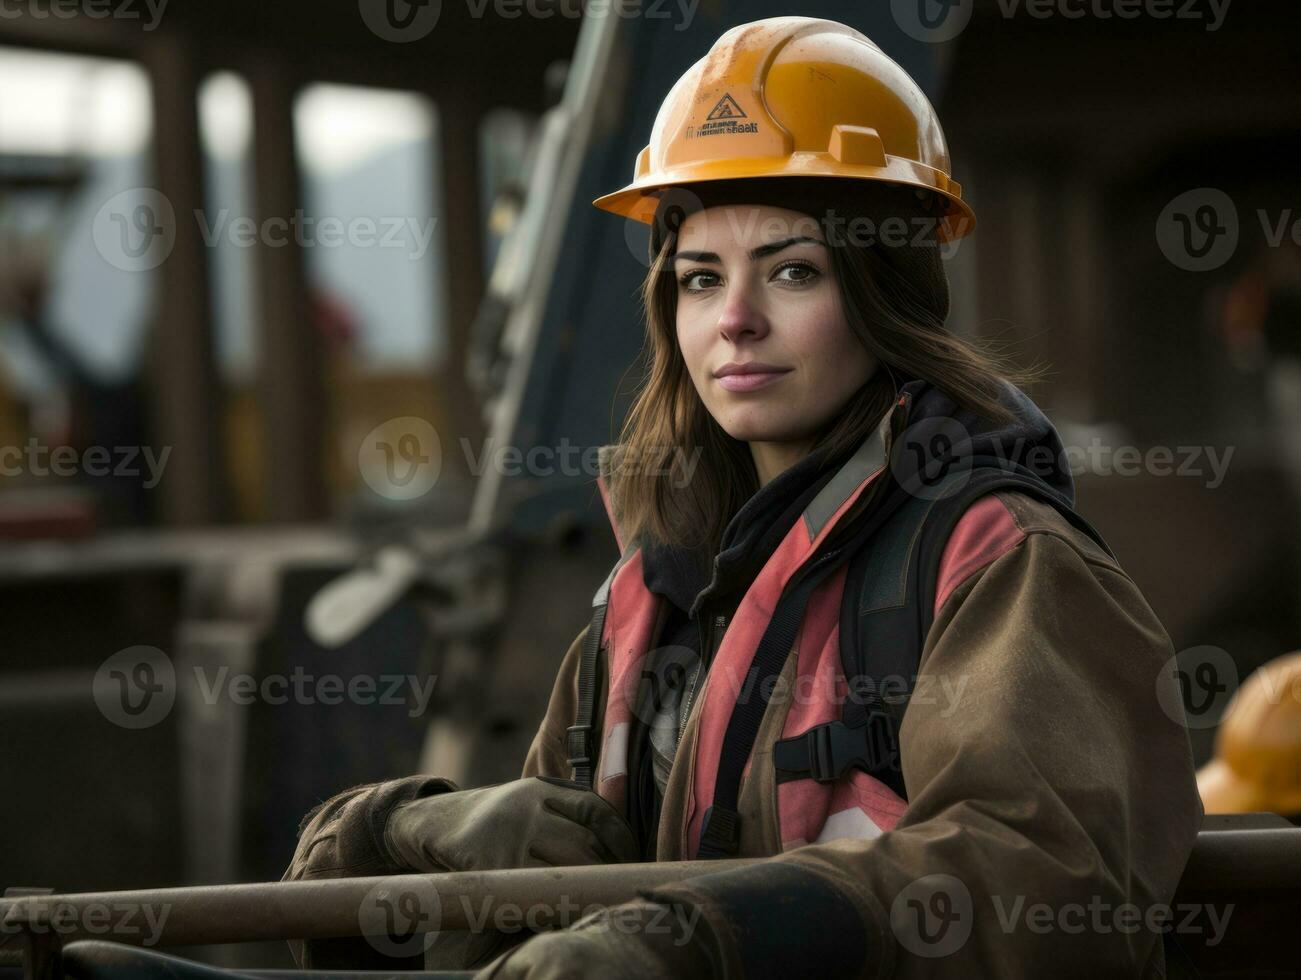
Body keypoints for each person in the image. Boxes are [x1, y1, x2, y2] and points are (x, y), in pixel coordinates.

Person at [285, 17, 1202, 977]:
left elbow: (1039, 888)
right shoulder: (649, 600)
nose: (733, 320)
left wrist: (702, 942)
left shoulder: (997, 565)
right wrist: (395, 834)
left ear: (885, 291)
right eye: (697, 278)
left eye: (792, 271)